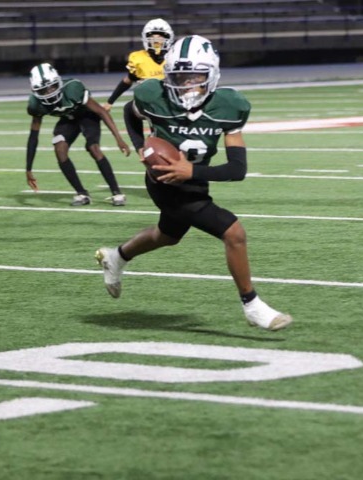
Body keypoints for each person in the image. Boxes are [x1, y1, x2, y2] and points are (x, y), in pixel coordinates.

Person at [95, 35, 293, 331]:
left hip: (194, 180)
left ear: (211, 75)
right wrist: (141, 147)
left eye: (195, 76)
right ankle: (252, 305)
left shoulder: (229, 105)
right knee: (234, 233)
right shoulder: (153, 95)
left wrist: (192, 172)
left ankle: (117, 257)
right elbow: (130, 112)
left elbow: (237, 169)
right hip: (163, 181)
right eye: (179, 76)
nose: (187, 84)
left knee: (167, 235)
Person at [26, 63, 130, 206]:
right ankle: (82, 193)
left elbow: (101, 111)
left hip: (87, 115)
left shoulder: (72, 88)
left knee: (93, 148)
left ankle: (116, 193)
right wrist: (29, 168)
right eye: (43, 90)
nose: (49, 92)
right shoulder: (35, 104)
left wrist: (119, 138)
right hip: (68, 119)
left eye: (52, 86)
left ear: (58, 82)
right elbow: (33, 136)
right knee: (60, 149)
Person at [102, 18, 174, 112]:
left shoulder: (174, 57)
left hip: (171, 102)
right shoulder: (139, 58)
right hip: (149, 103)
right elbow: (127, 81)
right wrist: (110, 102)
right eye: (152, 36)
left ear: (168, 38)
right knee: (129, 109)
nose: (156, 40)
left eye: (160, 36)